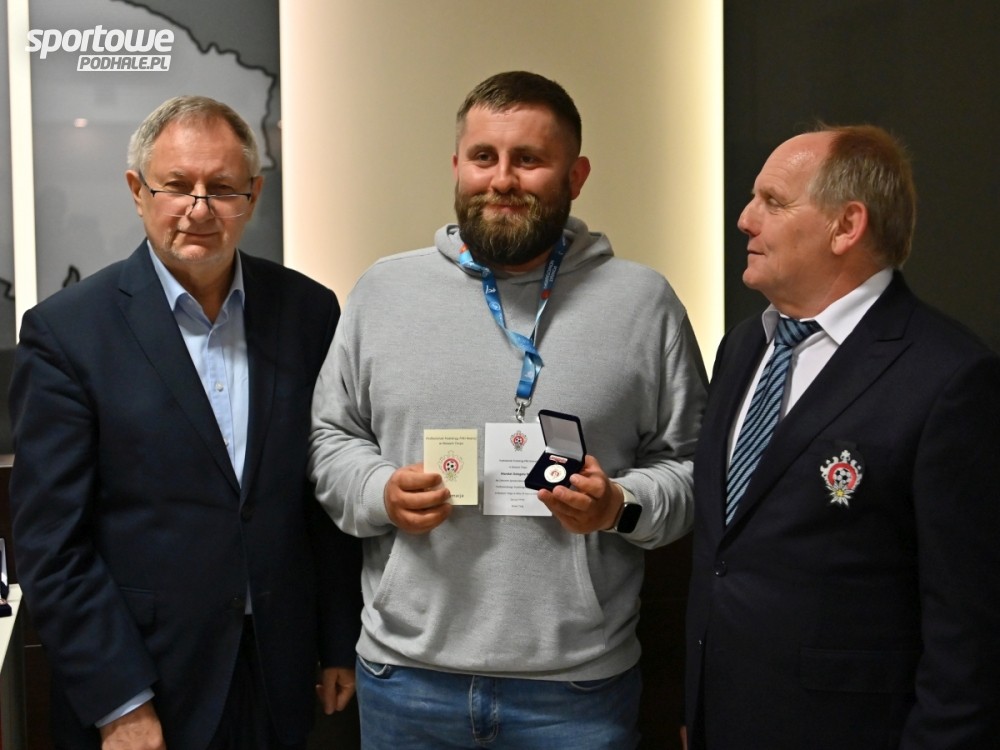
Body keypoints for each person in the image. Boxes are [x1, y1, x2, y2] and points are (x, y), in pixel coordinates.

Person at [308, 70, 707, 749]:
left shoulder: (644, 304)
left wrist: (618, 505)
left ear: (576, 175)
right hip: (407, 682)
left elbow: (693, 468)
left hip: (577, 693)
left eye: (528, 159)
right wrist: (379, 491)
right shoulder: (383, 292)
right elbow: (332, 439)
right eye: (483, 157)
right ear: (456, 166)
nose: (502, 179)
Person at [8, 96, 362, 750]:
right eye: (177, 186)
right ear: (137, 191)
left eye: (222, 188)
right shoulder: (68, 333)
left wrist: (339, 639)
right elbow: (50, 544)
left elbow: (320, 494)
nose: (199, 209)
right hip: (146, 683)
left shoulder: (309, 312)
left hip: (280, 673)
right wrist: (120, 701)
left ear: (253, 195)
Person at [684, 125, 1000, 748]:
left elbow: (970, 628)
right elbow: (722, 556)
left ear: (846, 226)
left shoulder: (950, 378)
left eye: (773, 202)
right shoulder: (743, 346)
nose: (745, 219)